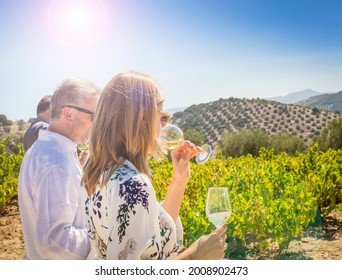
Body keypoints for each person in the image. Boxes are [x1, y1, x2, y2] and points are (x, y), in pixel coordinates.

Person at [81, 71, 227, 260]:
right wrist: (194, 256)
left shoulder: (98, 171)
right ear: (143, 117)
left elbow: (152, 235)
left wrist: (180, 179)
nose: (163, 128)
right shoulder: (132, 184)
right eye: (162, 118)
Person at [18, 78, 100, 259]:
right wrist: (102, 236)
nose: (96, 124)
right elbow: (54, 242)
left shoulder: (46, 150)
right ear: (68, 113)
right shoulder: (55, 162)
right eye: (93, 116)